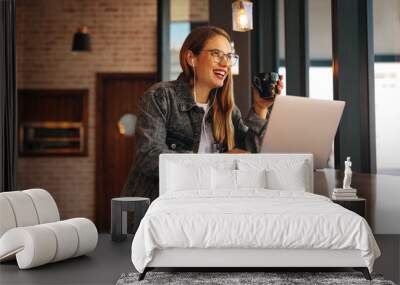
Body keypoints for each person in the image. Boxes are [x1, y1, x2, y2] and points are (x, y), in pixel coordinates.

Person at [122, 26, 283, 201]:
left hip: (201, 208)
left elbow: (252, 154)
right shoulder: (160, 97)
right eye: (216, 54)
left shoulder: (226, 109)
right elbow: (149, 157)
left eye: (229, 57)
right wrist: (218, 162)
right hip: (156, 208)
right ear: (191, 58)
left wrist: (260, 108)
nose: (225, 63)